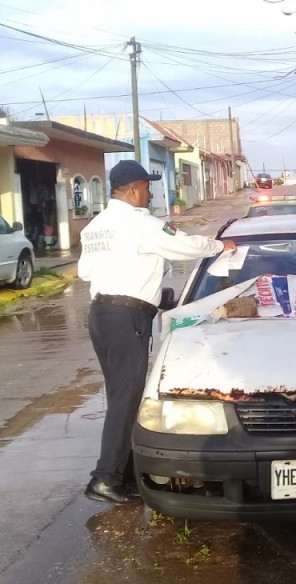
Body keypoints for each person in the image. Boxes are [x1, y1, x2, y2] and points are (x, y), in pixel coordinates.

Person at [77, 159, 235, 505]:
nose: (150, 192)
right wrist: (220, 247)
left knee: (121, 395)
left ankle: (123, 473)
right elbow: (186, 246)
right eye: (147, 186)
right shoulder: (141, 223)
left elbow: (86, 272)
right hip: (125, 318)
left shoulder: (95, 227)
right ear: (132, 189)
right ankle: (104, 479)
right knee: (127, 397)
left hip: (101, 314)